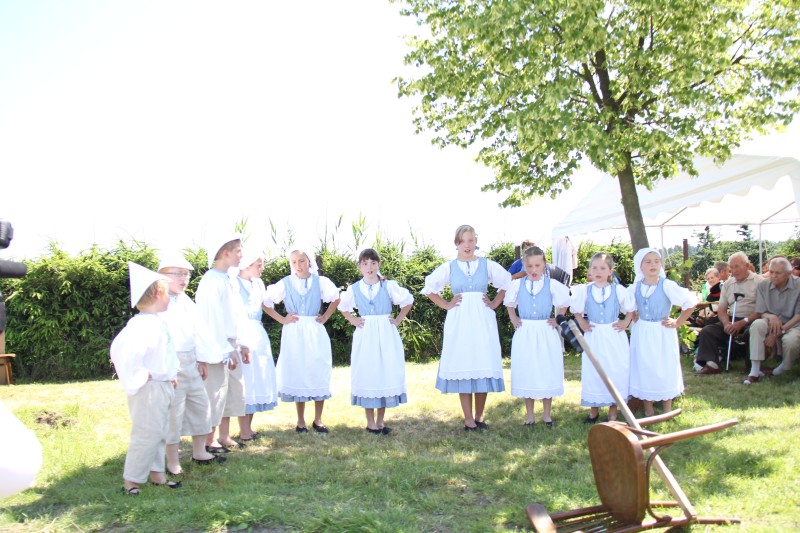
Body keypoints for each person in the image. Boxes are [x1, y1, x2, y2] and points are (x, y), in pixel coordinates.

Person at [422, 225, 511, 431]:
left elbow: (507, 282)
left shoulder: (487, 265)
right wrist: (446, 304)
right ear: (457, 243)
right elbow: (429, 288)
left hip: (482, 319)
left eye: (471, 240)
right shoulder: (449, 267)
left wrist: (495, 303)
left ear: (476, 241)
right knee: (464, 364)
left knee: (482, 361)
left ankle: (480, 416)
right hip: (460, 320)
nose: (467, 245)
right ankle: (468, 418)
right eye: (463, 241)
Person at [110, 262, 180, 495]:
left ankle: (157, 474)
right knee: (146, 433)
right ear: (158, 294)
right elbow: (122, 350)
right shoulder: (141, 324)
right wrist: (141, 374)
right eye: (167, 293)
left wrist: (170, 374)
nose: (170, 298)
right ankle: (132, 481)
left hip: (161, 384)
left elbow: (164, 354)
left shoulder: (155, 322)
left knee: (159, 431)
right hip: (149, 387)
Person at [157, 252, 223, 476]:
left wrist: (201, 358)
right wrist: (167, 368)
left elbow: (198, 331)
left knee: (200, 405)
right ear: (163, 276)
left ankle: (199, 451)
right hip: (170, 363)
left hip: (191, 361)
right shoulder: (158, 301)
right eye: (178, 274)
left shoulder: (186, 300)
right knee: (174, 413)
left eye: (186, 274)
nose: (184, 279)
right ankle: (172, 461)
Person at [264, 248, 340, 433]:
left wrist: (325, 316)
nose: (298, 265)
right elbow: (265, 302)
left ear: (309, 261)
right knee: (298, 371)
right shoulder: (286, 282)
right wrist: (282, 319)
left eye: (301, 261)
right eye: (294, 262)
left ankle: (318, 419)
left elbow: (336, 298)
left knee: (318, 370)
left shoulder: (320, 281)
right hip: (294, 331)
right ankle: (300, 421)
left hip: (314, 328)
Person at [339, 248, 414, 434]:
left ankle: (380, 421)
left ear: (378, 264)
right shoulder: (355, 288)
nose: (369, 267)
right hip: (366, 333)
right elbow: (342, 306)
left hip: (385, 332)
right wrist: (353, 320)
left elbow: (408, 301)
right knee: (368, 373)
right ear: (359, 266)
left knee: (384, 372)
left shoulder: (388, 285)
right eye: (365, 264)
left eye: (373, 263)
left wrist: (398, 320)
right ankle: (370, 422)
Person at [194, 234, 250, 453]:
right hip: (216, 345)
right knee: (215, 392)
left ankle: (223, 436)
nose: (241, 255)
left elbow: (238, 314)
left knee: (230, 392)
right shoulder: (210, 282)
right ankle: (208, 440)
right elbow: (211, 320)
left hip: (231, 343)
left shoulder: (229, 279)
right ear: (225, 253)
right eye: (238, 251)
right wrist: (225, 350)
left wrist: (242, 343)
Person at [504, 246, 570, 427]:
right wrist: (513, 317)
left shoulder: (551, 284)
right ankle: (530, 415)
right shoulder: (518, 284)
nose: (533, 270)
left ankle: (547, 414)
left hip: (545, 330)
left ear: (544, 265)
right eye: (529, 266)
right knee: (528, 369)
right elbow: (509, 303)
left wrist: (558, 319)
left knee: (546, 368)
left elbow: (565, 301)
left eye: (537, 266)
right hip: (525, 330)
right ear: (524, 266)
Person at [627, 248, 696, 417]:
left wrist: (678, 322)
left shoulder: (666, 285)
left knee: (665, 367)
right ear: (640, 266)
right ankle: (649, 409)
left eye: (657, 261)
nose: (653, 265)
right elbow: (627, 305)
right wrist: (633, 314)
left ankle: (667, 410)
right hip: (642, 332)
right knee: (644, 367)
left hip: (662, 331)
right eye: (648, 262)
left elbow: (690, 302)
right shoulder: (635, 287)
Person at [570, 252, 635, 424]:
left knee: (615, 369)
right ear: (590, 271)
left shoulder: (618, 290)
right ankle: (594, 410)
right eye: (595, 268)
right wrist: (582, 322)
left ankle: (613, 410)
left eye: (603, 268)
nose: (598, 271)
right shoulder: (585, 290)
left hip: (614, 335)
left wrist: (626, 322)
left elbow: (630, 308)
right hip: (594, 334)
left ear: (610, 271)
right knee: (594, 370)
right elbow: (576, 309)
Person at [694, 252, 761, 375]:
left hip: (753, 318)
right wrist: (726, 324)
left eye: (737, 266)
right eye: (732, 268)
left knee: (750, 332)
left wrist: (743, 322)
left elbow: (762, 309)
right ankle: (712, 364)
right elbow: (721, 308)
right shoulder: (728, 284)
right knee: (708, 330)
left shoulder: (759, 281)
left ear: (747, 265)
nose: (734, 271)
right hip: (733, 318)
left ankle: (751, 366)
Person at [236, 254, 278, 441]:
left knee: (256, 379)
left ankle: (249, 427)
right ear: (247, 265)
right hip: (242, 333)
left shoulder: (258, 284)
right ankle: (244, 430)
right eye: (258, 265)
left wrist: (283, 319)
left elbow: (265, 305)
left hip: (258, 334)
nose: (262, 268)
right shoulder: (233, 284)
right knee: (246, 379)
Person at [745, 257, 800, 384]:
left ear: (788, 274)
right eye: (771, 272)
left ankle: (784, 366)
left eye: (778, 273)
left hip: (794, 323)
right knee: (757, 324)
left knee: (791, 341)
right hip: (771, 321)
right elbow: (761, 311)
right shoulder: (763, 285)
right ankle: (755, 370)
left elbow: (798, 316)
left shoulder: (798, 285)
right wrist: (771, 317)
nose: (773, 276)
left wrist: (776, 334)